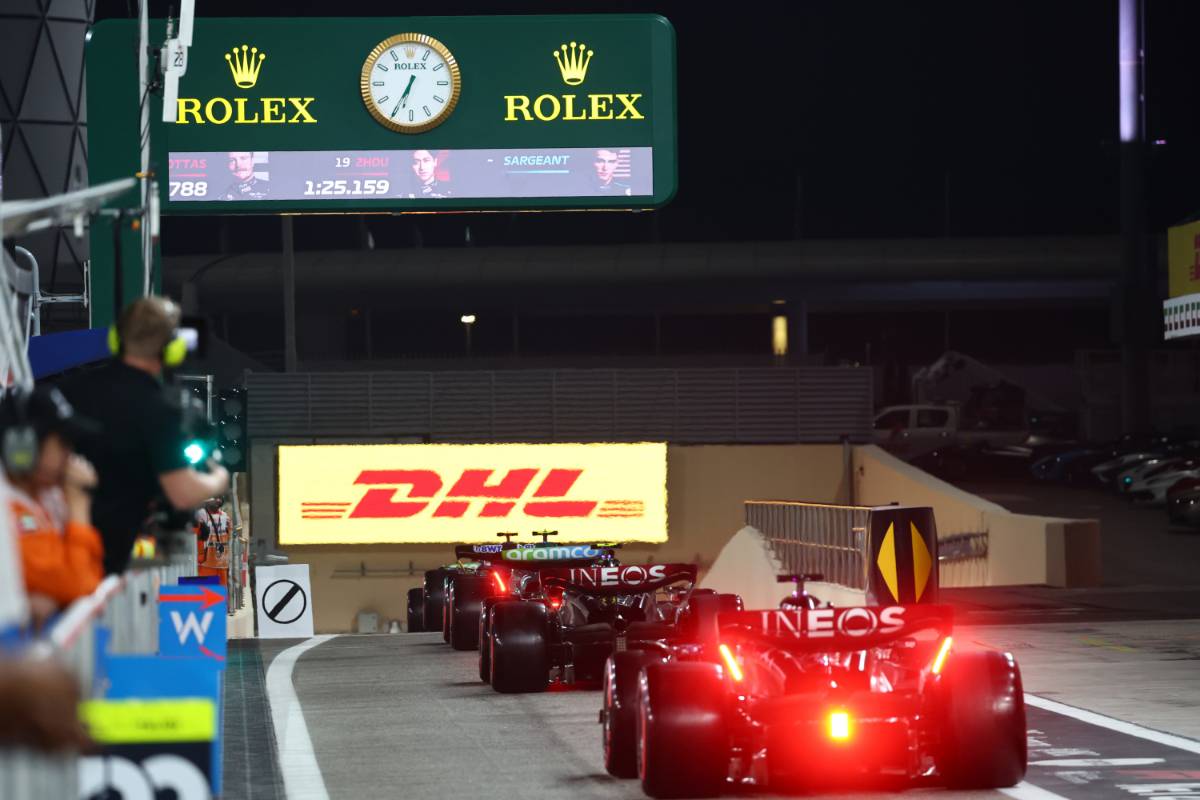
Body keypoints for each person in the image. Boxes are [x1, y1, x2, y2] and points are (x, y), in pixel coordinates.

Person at [61, 296, 230, 574]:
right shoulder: (161, 410)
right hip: (101, 556)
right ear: (172, 350)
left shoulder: (69, 389)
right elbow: (183, 494)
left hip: (53, 540)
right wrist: (217, 479)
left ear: (117, 339)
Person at [0, 387, 103, 626]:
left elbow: (88, 577)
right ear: (23, 445)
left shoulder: (44, 498)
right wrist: (78, 507)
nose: (70, 455)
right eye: (63, 443)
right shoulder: (8, 507)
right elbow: (80, 585)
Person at [194, 497, 231, 585]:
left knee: (216, 595)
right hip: (208, 563)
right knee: (209, 594)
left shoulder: (225, 517)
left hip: (218, 564)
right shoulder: (202, 516)